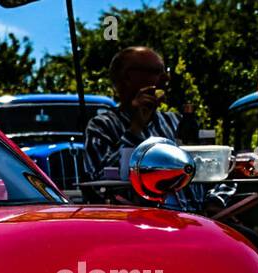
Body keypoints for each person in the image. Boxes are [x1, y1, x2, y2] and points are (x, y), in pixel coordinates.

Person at [84, 46, 203, 212]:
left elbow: (209, 165)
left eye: (165, 71)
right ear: (127, 77)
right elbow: (99, 183)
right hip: (139, 223)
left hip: (197, 218)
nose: (165, 78)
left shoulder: (176, 122)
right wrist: (136, 128)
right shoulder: (102, 126)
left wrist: (217, 200)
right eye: (156, 71)